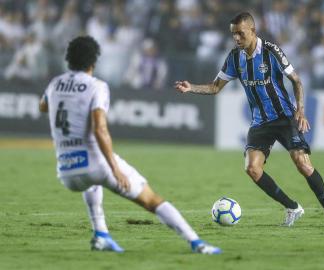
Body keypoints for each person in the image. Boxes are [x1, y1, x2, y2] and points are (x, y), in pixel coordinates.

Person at [39, 36, 222, 254]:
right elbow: (100, 129)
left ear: (68, 60)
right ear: (93, 62)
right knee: (152, 200)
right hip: (96, 164)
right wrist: (115, 170)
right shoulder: (97, 86)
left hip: (67, 171)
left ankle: (101, 235)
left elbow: (43, 107)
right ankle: (197, 244)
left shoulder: (55, 84)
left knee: (91, 183)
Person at [175, 12, 324, 228]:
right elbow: (215, 87)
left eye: (240, 34)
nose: (236, 38)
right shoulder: (235, 57)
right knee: (252, 168)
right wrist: (192, 88)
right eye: (233, 34)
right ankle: (292, 207)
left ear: (252, 31)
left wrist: (300, 110)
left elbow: (297, 81)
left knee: (302, 163)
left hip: (284, 117)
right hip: (260, 122)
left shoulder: (271, 51)